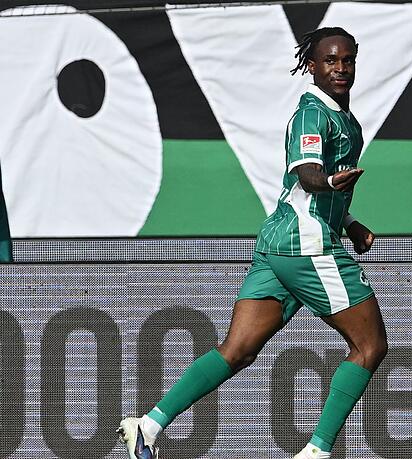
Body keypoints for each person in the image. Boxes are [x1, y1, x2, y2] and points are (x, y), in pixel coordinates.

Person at [118, 27, 387, 459]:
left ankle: (147, 426)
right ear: (312, 66)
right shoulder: (311, 115)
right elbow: (308, 177)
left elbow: (306, 192)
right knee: (370, 346)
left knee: (238, 350)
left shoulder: (345, 118)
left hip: (278, 243)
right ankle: (317, 452)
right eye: (330, 61)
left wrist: (352, 223)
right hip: (306, 246)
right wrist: (332, 182)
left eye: (347, 60)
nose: (340, 68)